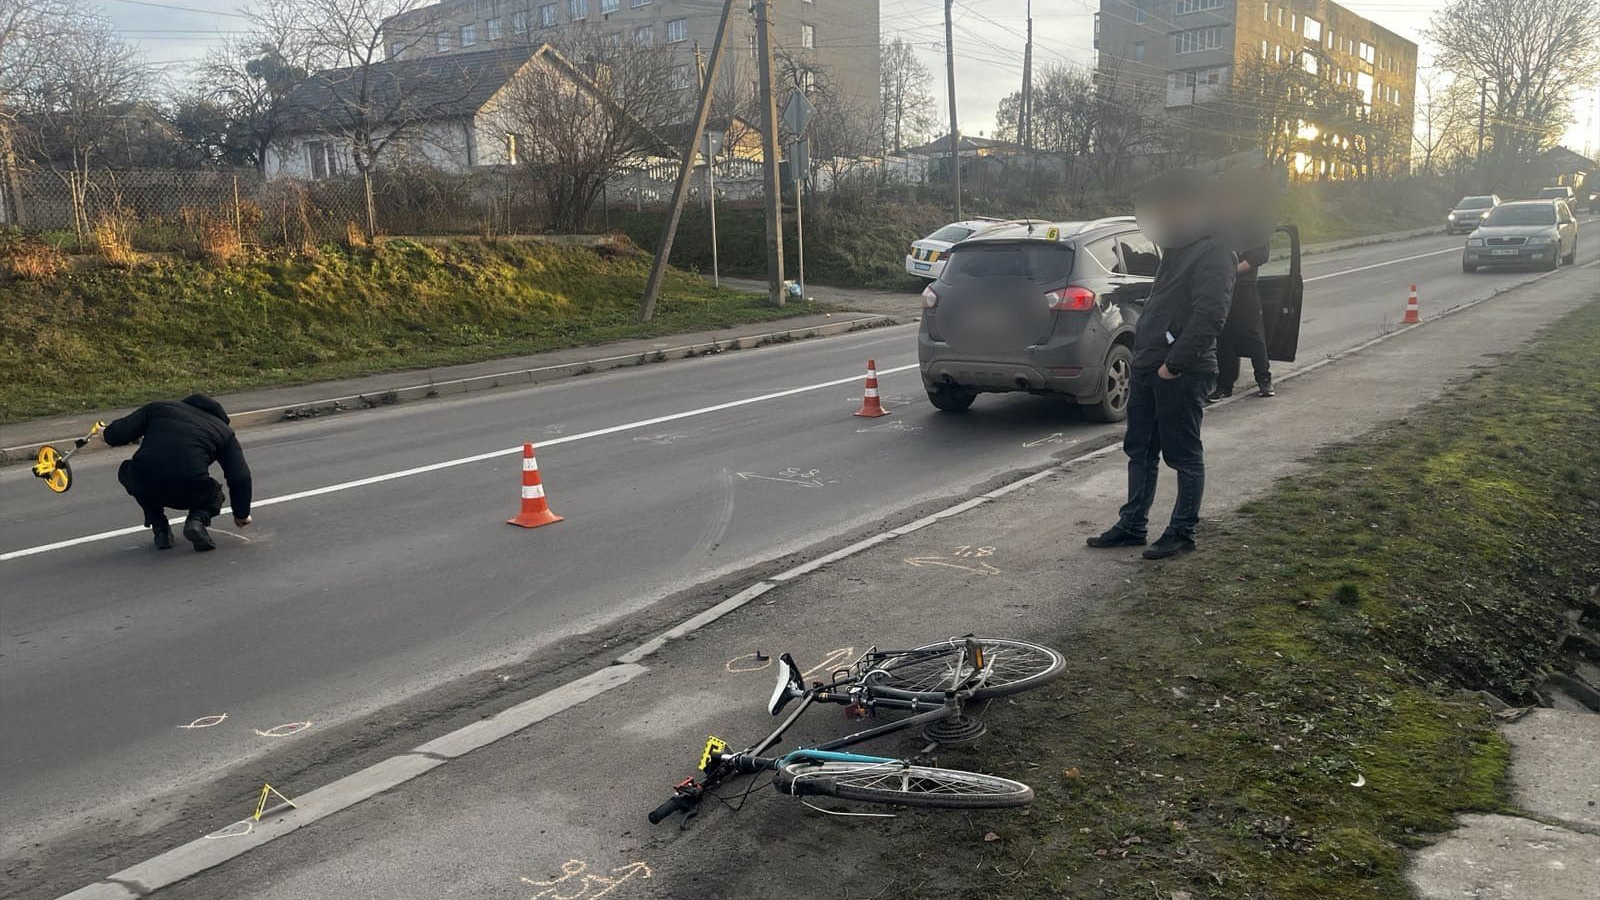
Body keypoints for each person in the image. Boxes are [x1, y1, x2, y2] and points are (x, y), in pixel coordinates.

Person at [1087, 169, 1234, 560]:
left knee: (1183, 454)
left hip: (1181, 371)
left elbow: (1210, 316)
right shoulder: (1176, 249)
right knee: (1140, 450)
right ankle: (1133, 525)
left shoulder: (1215, 251)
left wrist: (1175, 364)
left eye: (1178, 206)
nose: (1170, 213)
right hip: (1149, 366)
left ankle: (1182, 530)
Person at [104, 394, 253, 552]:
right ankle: (197, 520)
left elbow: (117, 434)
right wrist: (241, 514)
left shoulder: (159, 409)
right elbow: (240, 476)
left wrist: (105, 433)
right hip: (189, 490)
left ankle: (160, 529)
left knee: (130, 472)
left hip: (145, 483)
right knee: (214, 493)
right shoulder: (224, 432)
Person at [1209, 242, 1275, 401]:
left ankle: (1264, 380)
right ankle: (1224, 386)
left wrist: (1232, 271)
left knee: (1253, 335)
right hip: (1222, 289)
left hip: (1245, 288)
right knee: (1225, 337)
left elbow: (1261, 255)